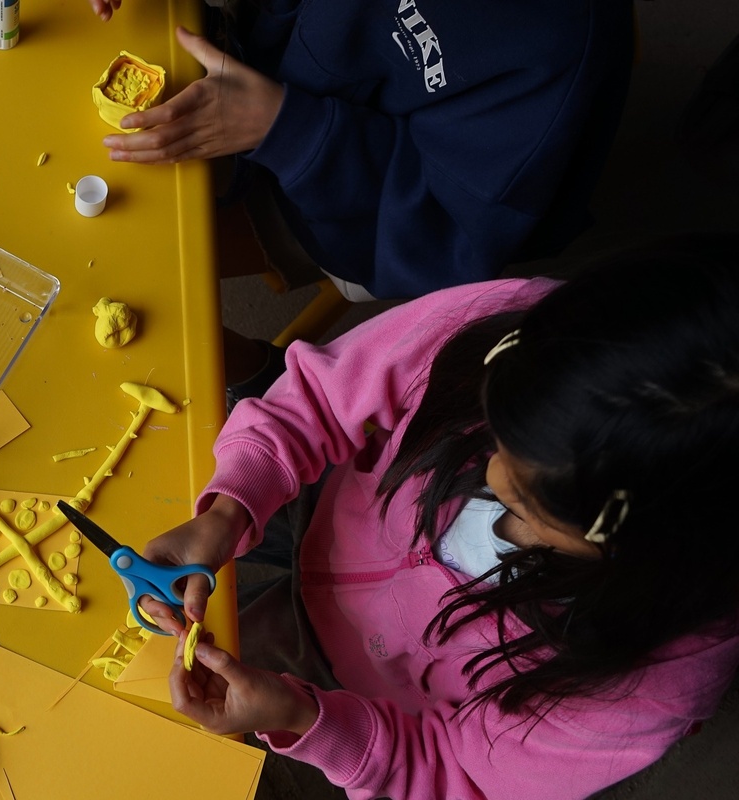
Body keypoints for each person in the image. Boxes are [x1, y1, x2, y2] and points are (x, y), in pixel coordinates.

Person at [137, 238, 739, 798]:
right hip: (337, 517)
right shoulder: (521, 329)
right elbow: (319, 399)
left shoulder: (649, 687)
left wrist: (303, 720)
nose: (491, 479)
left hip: (365, 713)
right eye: (496, 436)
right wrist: (230, 506)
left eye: (528, 503)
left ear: (643, 554)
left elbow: (453, 778)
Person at [87, 0, 636, 396]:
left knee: (120, 274)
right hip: (263, 59)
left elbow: (443, 243)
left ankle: (259, 378)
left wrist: (284, 129)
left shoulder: (556, 45)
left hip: (345, 207)